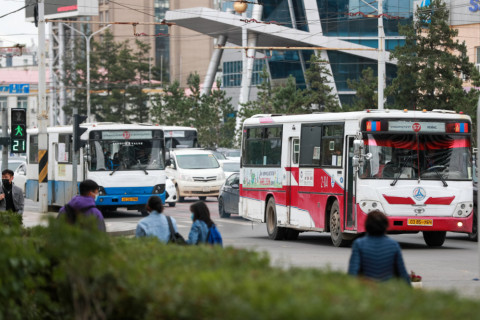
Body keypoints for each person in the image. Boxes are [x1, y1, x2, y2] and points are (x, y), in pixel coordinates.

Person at [348, 210, 410, 285]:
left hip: (366, 291)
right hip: (387, 291)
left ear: (367, 225)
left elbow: (352, 273)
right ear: (386, 226)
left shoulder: (359, 244)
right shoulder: (394, 245)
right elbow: (402, 274)